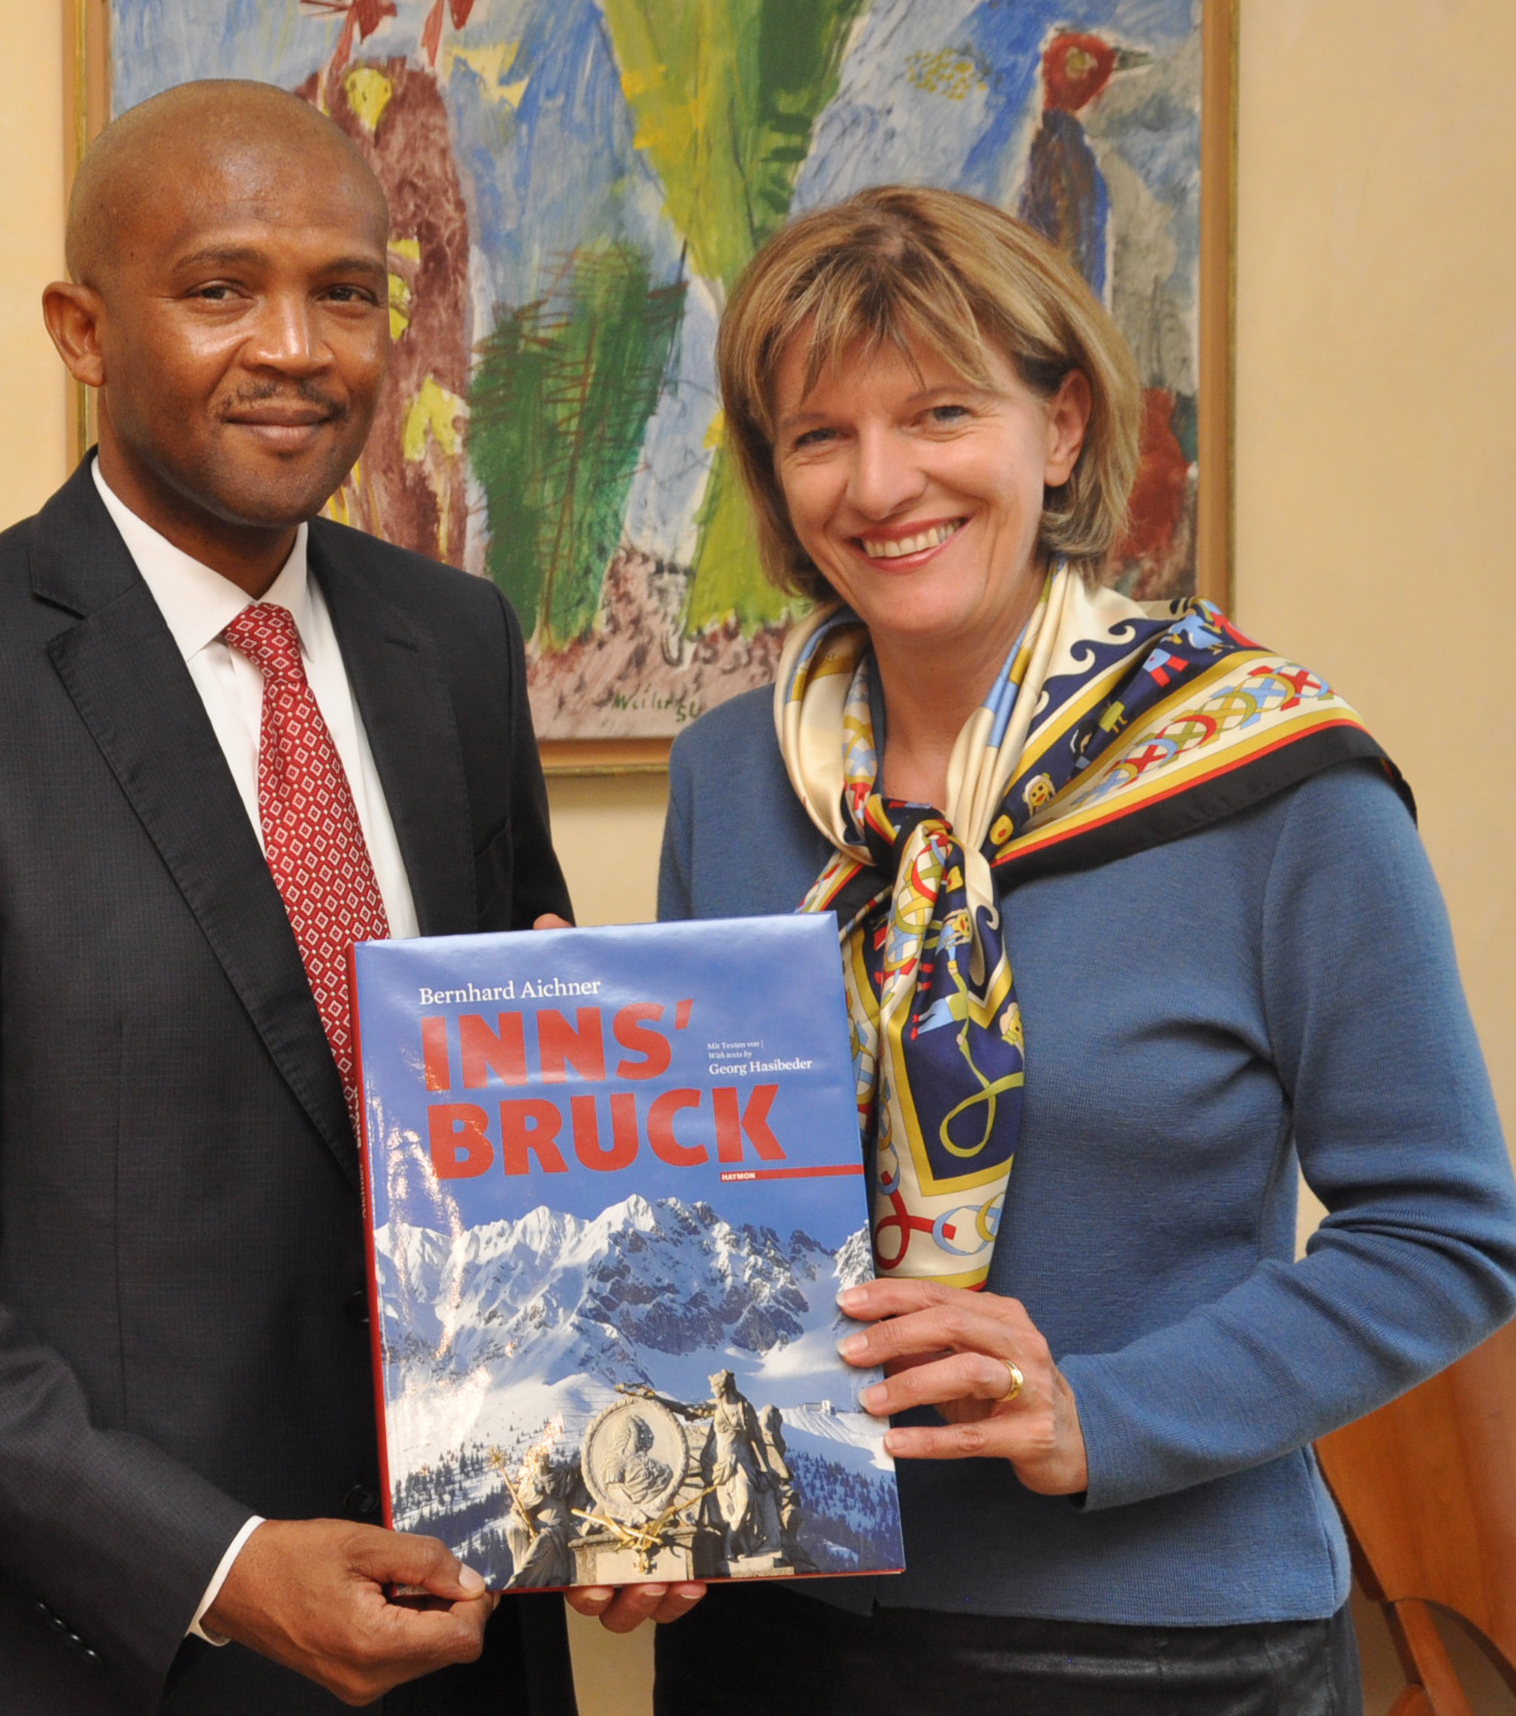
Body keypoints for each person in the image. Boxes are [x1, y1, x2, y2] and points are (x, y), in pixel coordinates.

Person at [0, 78, 695, 1715]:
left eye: (347, 292)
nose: (298, 347)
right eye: (221, 287)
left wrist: (630, 1457)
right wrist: (214, 1564)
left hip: (462, 1638)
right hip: (106, 1657)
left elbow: (527, 1125)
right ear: (80, 324)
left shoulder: (454, 647)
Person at [647, 185, 1516, 1714]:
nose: (881, 480)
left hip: (1154, 1644)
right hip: (769, 1638)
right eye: (819, 435)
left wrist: (1093, 1410)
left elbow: (1447, 1233)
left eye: (938, 412)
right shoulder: (733, 774)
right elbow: (703, 1198)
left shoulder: (1277, 780)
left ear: (1057, 430)